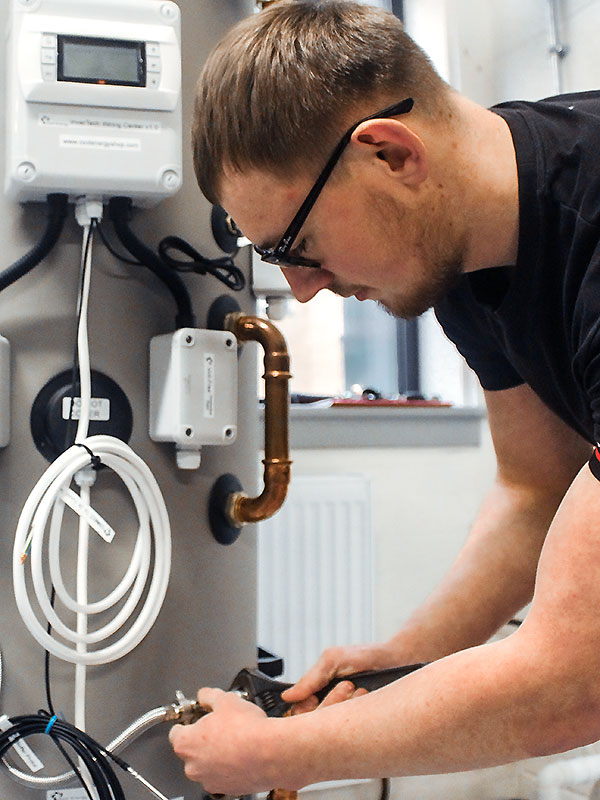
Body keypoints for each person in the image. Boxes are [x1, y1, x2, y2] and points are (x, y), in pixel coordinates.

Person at [169, 0, 600, 794]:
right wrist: (412, 654)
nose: (299, 289)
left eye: (297, 248)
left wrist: (276, 755)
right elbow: (535, 487)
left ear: (392, 155)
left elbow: (573, 682)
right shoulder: (469, 244)